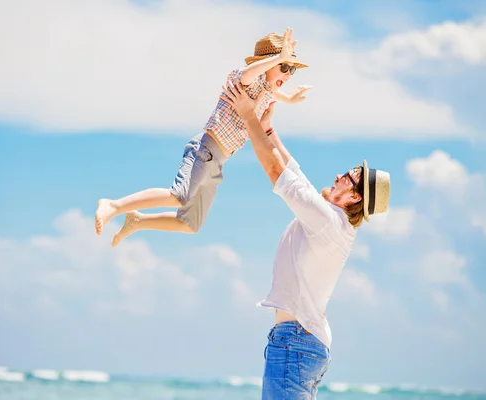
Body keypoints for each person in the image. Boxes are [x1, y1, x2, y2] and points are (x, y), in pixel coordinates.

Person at [219, 80, 391, 399]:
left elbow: (276, 170)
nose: (339, 176)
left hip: (296, 341)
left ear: (353, 196)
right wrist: (267, 129)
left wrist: (248, 117)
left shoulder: (327, 221)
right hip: (302, 341)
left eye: (348, 177)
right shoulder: (332, 219)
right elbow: (292, 170)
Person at [95, 28, 312, 247]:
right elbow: (249, 74)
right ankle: (114, 206)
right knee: (178, 195)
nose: (287, 74)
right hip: (205, 149)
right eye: (284, 67)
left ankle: (138, 221)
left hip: (217, 164)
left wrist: (290, 99)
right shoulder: (245, 79)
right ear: (267, 62)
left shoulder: (265, 89)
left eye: (291, 70)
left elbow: (273, 92)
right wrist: (279, 58)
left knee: (190, 224)